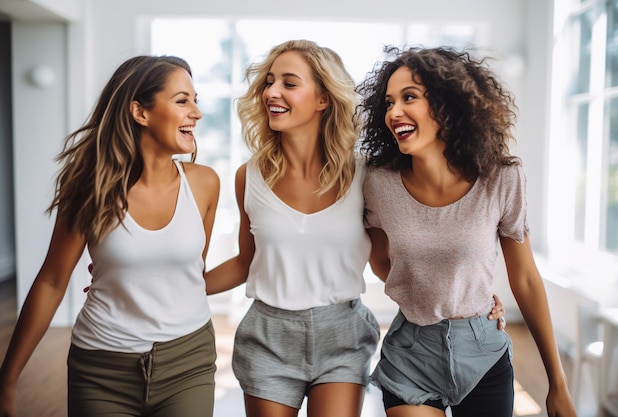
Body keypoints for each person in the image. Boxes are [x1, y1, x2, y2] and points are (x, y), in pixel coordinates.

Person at [203, 40, 505, 417]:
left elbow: (388, 259)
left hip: (342, 333)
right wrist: (183, 288)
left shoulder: (367, 176)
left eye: (289, 83)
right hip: (268, 333)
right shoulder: (248, 177)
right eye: (268, 82)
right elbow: (246, 262)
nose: (271, 92)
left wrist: (467, 303)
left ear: (323, 99)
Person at [356, 45, 577, 417]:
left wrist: (558, 384)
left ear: (447, 104)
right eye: (389, 102)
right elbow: (381, 261)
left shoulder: (501, 178)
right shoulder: (378, 182)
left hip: (484, 353)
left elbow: (524, 279)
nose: (394, 112)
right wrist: (440, 291)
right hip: (410, 353)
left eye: (409, 97)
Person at [0, 55, 220, 417]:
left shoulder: (205, 184)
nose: (196, 112)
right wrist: (8, 379)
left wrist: (134, 280)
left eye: (195, 100)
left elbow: (191, 273)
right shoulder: (90, 188)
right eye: (182, 100)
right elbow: (52, 281)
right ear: (140, 112)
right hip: (102, 366)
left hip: (189, 362)